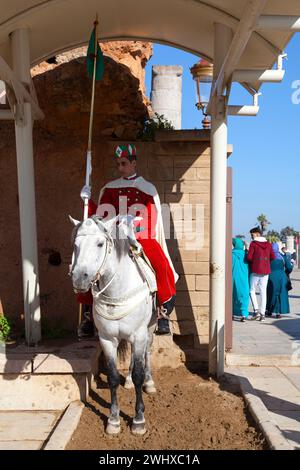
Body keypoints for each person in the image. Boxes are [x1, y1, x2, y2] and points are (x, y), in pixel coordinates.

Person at [78, 143, 178, 336]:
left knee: (161, 263)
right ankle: (89, 315)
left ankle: (163, 313)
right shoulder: (110, 188)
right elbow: (100, 216)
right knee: (88, 264)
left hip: (139, 237)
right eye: (118, 164)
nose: (120, 168)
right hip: (114, 237)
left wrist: (135, 222)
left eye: (124, 163)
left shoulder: (147, 188)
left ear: (134, 163)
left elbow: (152, 216)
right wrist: (88, 202)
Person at [247, 226, 275, 322]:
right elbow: (273, 256)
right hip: (266, 270)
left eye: (252, 234)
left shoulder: (253, 244)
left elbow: (249, 257)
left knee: (252, 290)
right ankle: (263, 314)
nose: (251, 236)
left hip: (255, 270)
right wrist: (265, 262)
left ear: (257, 234)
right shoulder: (268, 244)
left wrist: (255, 261)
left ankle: (256, 311)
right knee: (263, 292)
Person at [266, 242, 293, 318]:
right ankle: (279, 312)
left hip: (271, 277)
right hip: (282, 277)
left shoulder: (268, 257)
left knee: (271, 294)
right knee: (281, 294)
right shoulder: (282, 257)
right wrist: (286, 273)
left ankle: (269, 310)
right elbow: (289, 267)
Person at [232, 238, 250, 322]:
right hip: (244, 278)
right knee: (243, 295)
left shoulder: (230, 254)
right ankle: (244, 314)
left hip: (232, 278)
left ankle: (231, 313)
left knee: (232, 295)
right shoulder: (246, 255)